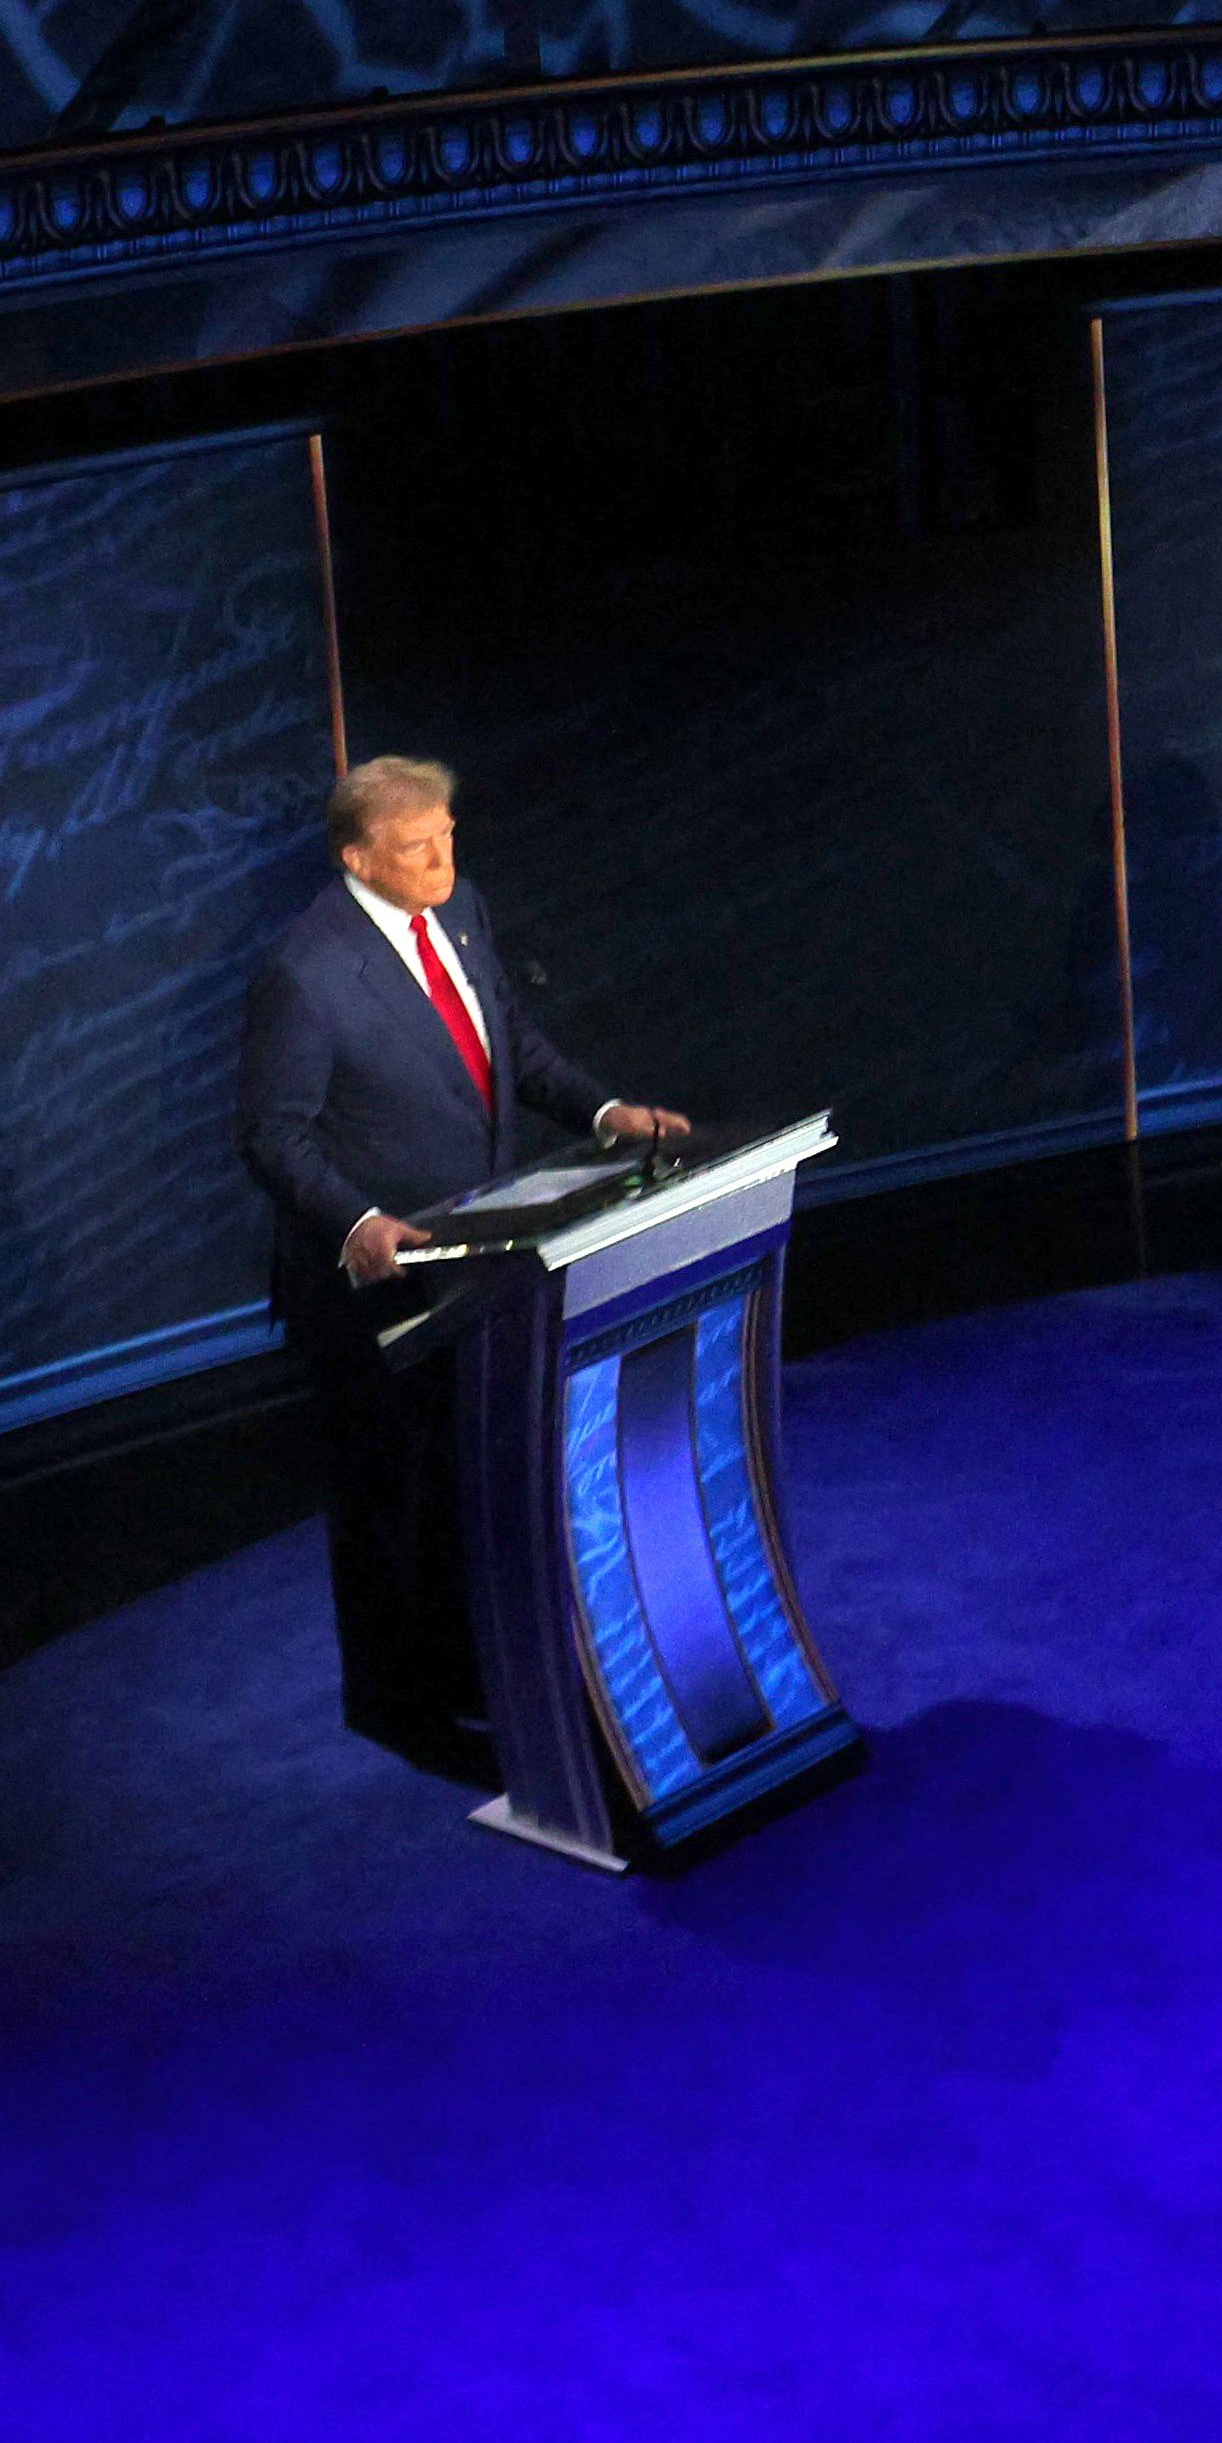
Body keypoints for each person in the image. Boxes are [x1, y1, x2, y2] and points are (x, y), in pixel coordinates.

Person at [233, 756, 689, 1767]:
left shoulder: (462, 909)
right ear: (358, 859)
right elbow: (272, 1134)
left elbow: (507, 1044)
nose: (442, 860)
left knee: (468, 1478)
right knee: (391, 1496)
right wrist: (359, 1222)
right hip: (375, 1284)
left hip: (480, 1258)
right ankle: (399, 1706)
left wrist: (604, 1112)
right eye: (417, 846)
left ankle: (474, 1664)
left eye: (447, 836)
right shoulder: (306, 974)